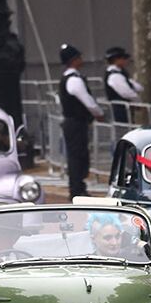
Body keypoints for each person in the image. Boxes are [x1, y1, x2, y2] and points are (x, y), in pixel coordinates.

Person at [58, 43, 103, 199]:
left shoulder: (69, 78)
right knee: (77, 156)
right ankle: (77, 189)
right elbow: (87, 100)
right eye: (79, 57)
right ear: (74, 60)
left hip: (74, 122)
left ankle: (78, 187)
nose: (81, 60)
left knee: (78, 155)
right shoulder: (74, 80)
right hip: (75, 122)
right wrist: (98, 113)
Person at [103, 45, 140, 156]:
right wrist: (137, 101)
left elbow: (137, 87)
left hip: (124, 109)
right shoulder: (114, 76)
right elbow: (126, 92)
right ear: (116, 60)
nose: (125, 61)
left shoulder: (120, 73)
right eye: (123, 58)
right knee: (121, 135)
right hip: (119, 110)